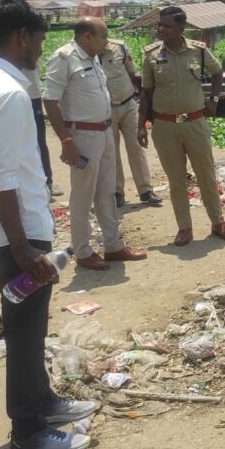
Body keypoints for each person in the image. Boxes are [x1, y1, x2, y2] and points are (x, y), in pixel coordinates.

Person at [0, 0, 94, 449]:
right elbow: (2, 177)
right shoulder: (9, 94)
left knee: (30, 327)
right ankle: (28, 434)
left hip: (8, 227)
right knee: (25, 333)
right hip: (22, 233)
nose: (40, 50)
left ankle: (43, 402)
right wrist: (23, 247)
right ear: (22, 37)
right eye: (39, 41)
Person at [43, 17, 146, 270]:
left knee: (107, 191)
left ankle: (113, 245)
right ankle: (83, 251)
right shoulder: (64, 58)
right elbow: (50, 101)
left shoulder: (93, 58)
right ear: (86, 36)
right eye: (103, 36)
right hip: (83, 136)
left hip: (105, 130)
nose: (106, 41)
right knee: (82, 195)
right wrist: (66, 140)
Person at [138, 7, 225, 246]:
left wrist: (214, 99)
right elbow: (146, 93)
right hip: (165, 126)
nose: (161, 29)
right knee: (176, 181)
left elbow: (217, 73)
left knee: (206, 175)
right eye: (159, 25)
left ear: (181, 28)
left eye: (166, 26)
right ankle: (184, 228)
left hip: (195, 123)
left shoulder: (199, 51)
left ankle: (218, 223)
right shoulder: (151, 55)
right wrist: (141, 125)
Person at [98, 38, 160, 208]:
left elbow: (132, 73)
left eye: (105, 34)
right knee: (112, 151)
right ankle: (117, 192)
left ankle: (146, 190)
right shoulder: (88, 54)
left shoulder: (119, 47)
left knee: (136, 147)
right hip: (106, 110)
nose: (104, 39)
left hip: (128, 105)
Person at [20, 67, 63, 198]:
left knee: (39, 142)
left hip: (33, 95)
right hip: (22, 96)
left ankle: (47, 182)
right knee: (26, 142)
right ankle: (34, 184)